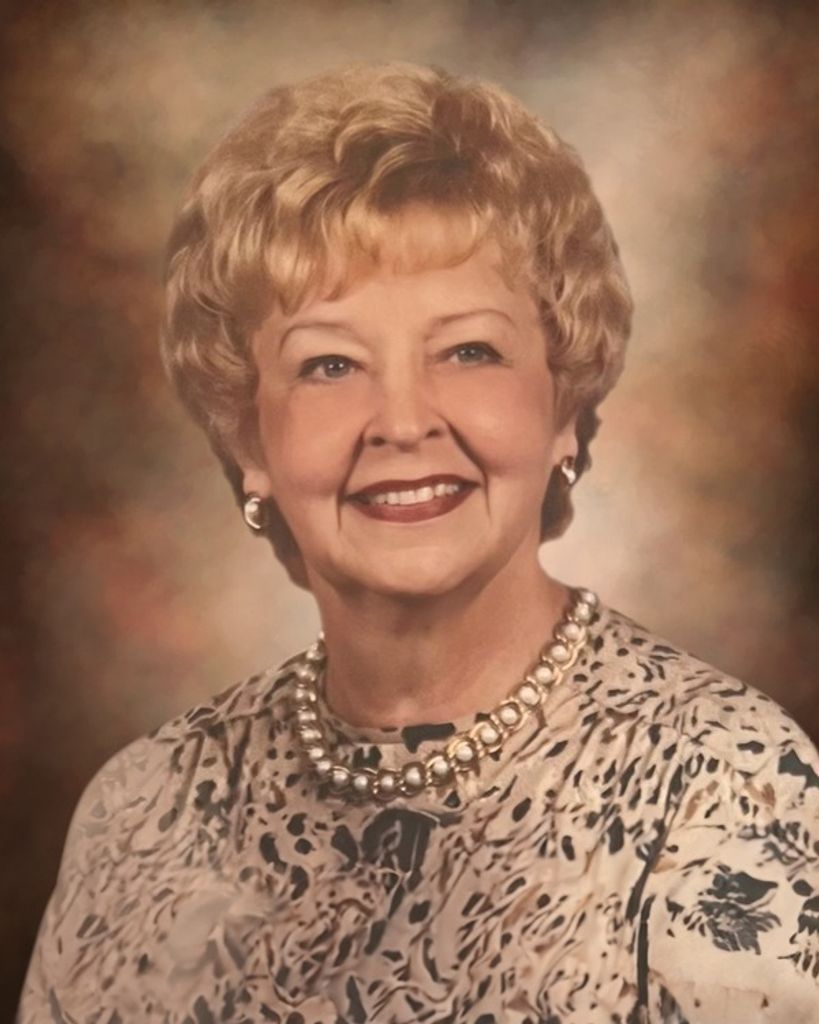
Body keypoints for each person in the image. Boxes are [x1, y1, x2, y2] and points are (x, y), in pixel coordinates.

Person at [17, 62, 819, 1024]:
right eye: (329, 364)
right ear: (248, 439)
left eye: (468, 351)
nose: (401, 421)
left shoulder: (725, 783)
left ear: (564, 404)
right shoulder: (143, 808)